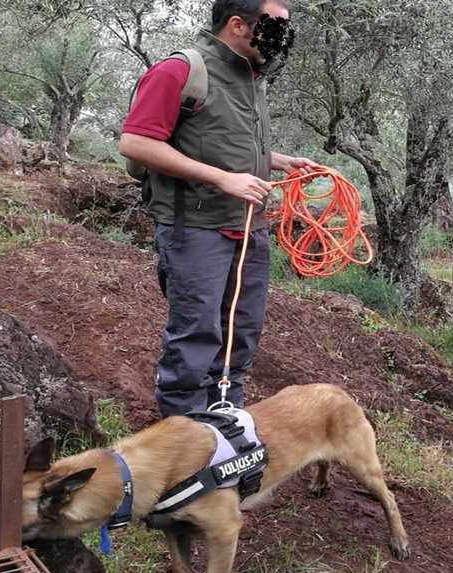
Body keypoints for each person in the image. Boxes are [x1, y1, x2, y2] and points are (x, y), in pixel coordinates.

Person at [118, 0, 318, 418]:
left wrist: (278, 160)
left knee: (240, 334)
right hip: (195, 227)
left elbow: (219, 137)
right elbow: (136, 144)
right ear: (238, 25)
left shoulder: (251, 76)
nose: (283, 38)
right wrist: (222, 179)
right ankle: (184, 438)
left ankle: (225, 423)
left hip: (249, 227)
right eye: (276, 27)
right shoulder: (178, 70)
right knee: (195, 335)